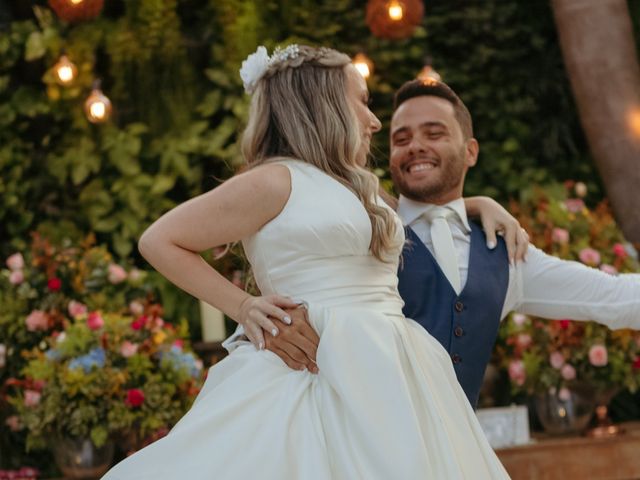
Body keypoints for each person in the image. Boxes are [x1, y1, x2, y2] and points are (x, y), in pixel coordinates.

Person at [102, 45, 511, 479]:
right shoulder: (275, 178)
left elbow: (421, 217)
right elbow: (160, 240)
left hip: (393, 370)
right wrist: (243, 307)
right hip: (309, 368)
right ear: (324, 104)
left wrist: (478, 203)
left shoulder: (363, 188)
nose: (374, 121)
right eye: (363, 102)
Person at [263, 78, 640, 409]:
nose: (415, 147)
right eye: (401, 139)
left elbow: (613, 299)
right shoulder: (356, 228)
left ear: (471, 152)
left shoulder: (504, 252)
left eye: (434, 133)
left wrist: (470, 207)